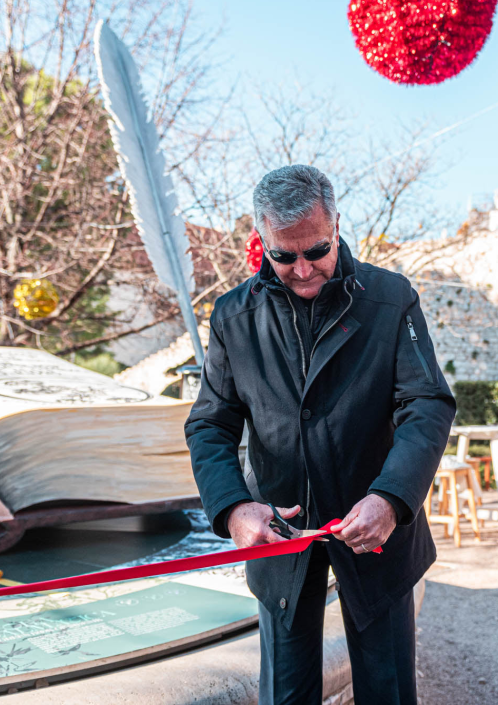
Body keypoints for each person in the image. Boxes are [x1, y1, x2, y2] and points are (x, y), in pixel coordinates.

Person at [185, 164, 455, 705]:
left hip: (376, 525)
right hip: (279, 534)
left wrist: (392, 498)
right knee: (285, 695)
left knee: (388, 691)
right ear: (261, 240)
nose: (304, 270)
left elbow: (426, 404)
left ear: (336, 225)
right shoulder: (232, 315)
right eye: (283, 256)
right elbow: (210, 423)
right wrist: (235, 508)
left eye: (316, 250)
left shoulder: (391, 297)